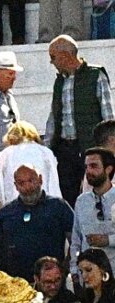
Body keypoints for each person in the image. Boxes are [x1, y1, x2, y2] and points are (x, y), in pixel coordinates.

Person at [45, 36, 114, 206]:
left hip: (90, 148)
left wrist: (108, 149)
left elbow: (108, 115)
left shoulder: (95, 75)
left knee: (93, 193)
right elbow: (54, 116)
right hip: (65, 150)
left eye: (53, 57)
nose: (51, 62)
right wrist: (47, 147)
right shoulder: (59, 81)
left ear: (65, 55)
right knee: (67, 195)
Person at [0, 163, 73, 282]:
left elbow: (76, 240)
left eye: (31, 180)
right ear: (16, 186)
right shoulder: (5, 213)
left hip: (52, 283)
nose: (28, 187)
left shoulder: (58, 206)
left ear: (40, 179)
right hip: (17, 285)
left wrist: (64, 269)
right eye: (21, 183)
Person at [0, 122, 60, 206]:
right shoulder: (45, 152)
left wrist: (3, 206)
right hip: (44, 204)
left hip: (14, 206)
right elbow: (54, 183)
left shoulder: (4, 155)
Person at [70, 147, 115, 269]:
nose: (88, 171)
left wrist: (108, 240)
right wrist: (74, 271)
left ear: (108, 169)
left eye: (94, 166)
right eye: (86, 167)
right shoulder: (81, 201)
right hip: (88, 276)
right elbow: (76, 241)